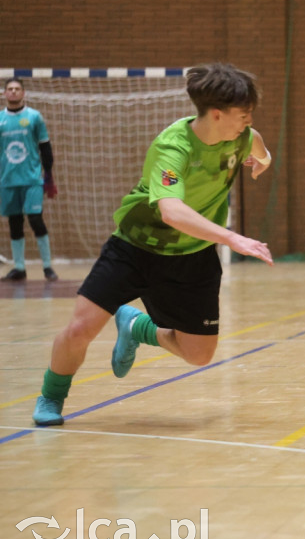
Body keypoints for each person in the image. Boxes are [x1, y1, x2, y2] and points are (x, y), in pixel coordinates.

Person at [32, 63, 275, 426]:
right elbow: (172, 211)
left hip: (191, 258)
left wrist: (263, 161)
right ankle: (51, 397)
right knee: (80, 329)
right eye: (243, 115)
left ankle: (135, 327)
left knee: (199, 355)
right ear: (217, 114)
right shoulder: (172, 146)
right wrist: (232, 237)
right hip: (135, 248)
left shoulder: (241, 136)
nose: (247, 121)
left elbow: (259, 146)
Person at [1, 78, 60, 282]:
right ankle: (19, 268)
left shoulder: (34, 117)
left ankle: (47, 267)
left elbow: (45, 147)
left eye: (17, 89)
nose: (14, 92)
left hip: (32, 179)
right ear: (5, 93)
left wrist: (49, 177)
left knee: (35, 219)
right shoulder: (0, 119)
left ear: (23, 93)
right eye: (10, 89)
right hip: (7, 180)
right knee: (15, 223)